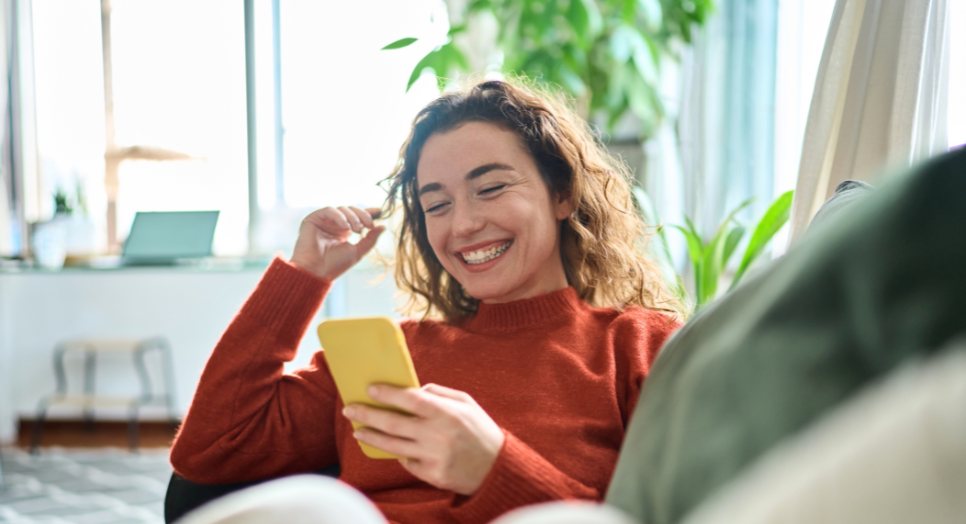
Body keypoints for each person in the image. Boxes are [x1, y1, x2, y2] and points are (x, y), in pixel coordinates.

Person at [170, 79, 684, 524]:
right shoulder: (391, 359)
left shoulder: (639, 346)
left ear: (562, 194)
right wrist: (303, 279)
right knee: (318, 507)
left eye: (491, 187)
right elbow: (210, 451)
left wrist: (495, 469)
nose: (462, 225)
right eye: (436, 204)